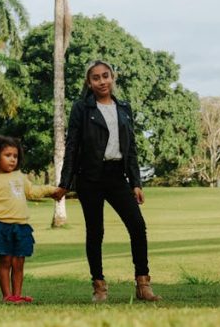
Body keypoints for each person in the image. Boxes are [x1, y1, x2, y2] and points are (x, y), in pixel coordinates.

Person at [50, 60, 162, 303]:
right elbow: (73, 147)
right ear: (89, 83)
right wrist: (65, 183)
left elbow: (130, 148)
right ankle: (99, 287)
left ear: (113, 77)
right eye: (96, 78)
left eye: (105, 76)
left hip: (116, 176)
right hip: (89, 177)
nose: (102, 81)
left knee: (137, 226)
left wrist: (136, 182)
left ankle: (143, 284)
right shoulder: (82, 108)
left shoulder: (124, 107)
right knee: (95, 232)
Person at [0, 135, 55, 303]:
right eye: (7, 155)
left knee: (19, 263)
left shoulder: (20, 177)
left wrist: (53, 190)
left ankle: (17, 295)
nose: (12, 160)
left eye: (15, 156)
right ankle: (7, 296)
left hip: (22, 227)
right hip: (2, 227)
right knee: (6, 262)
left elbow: (32, 192)